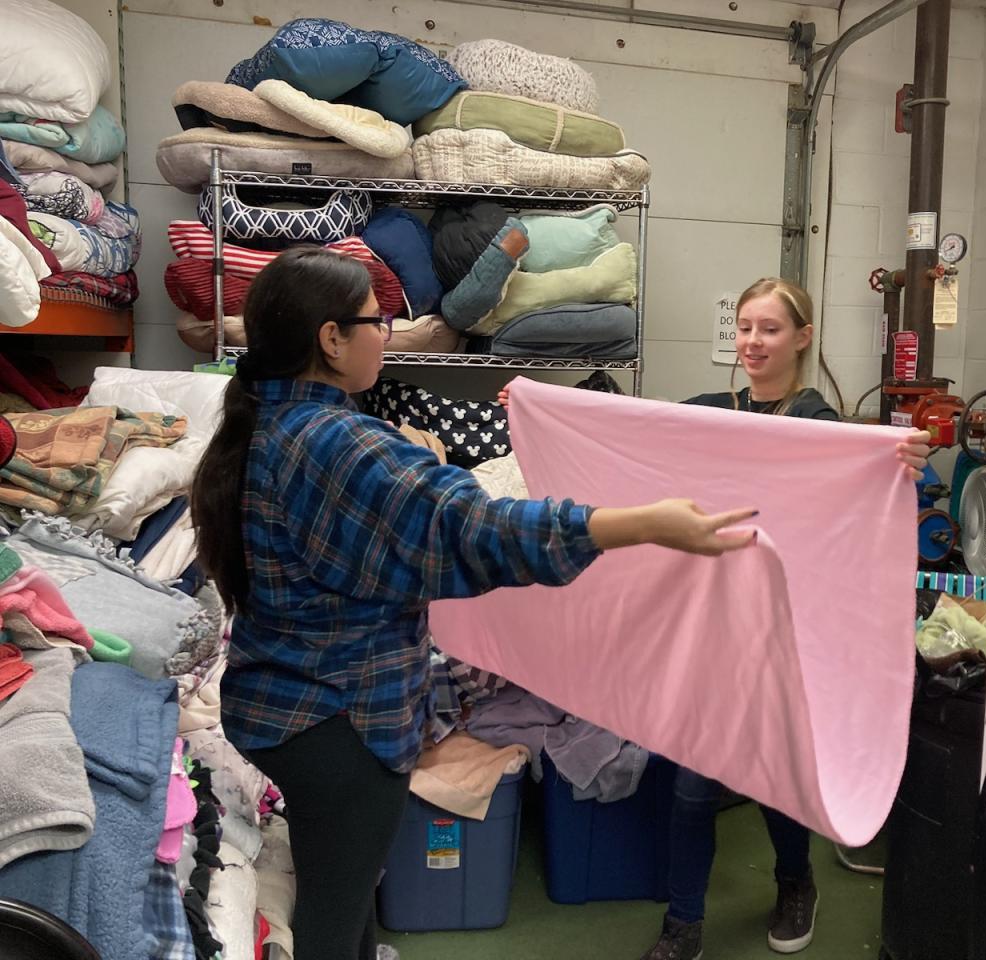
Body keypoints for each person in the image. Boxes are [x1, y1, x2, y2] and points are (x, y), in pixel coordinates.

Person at [189, 247, 759, 960]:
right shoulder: (341, 444)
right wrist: (642, 523)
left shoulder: (270, 423)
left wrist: (419, 465)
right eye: (376, 321)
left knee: (343, 894)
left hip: (283, 707)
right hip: (339, 721)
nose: (386, 335)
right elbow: (476, 529)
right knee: (334, 919)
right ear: (331, 339)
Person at [501, 277, 931, 959]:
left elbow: (861, 482)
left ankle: (792, 883)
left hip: (781, 634)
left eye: (771, 329)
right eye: (746, 328)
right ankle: (685, 923)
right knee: (694, 783)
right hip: (709, 632)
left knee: (774, 775)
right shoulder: (710, 413)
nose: (753, 342)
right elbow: (630, 438)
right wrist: (538, 407)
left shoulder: (818, 425)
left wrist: (899, 457)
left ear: (803, 338)